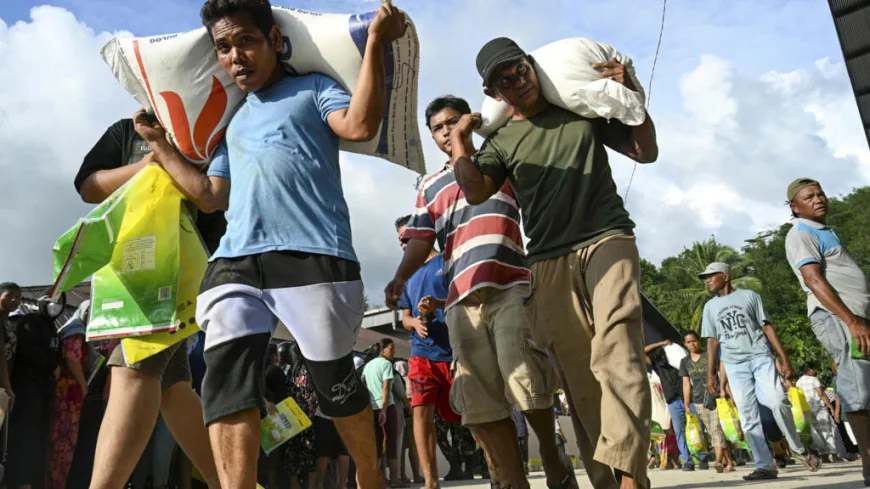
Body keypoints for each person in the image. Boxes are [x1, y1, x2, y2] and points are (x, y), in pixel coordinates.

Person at [135, 1, 406, 486]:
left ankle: (369, 472)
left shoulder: (314, 88)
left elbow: (360, 126)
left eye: (246, 41)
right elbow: (211, 196)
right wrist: (160, 145)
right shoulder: (232, 122)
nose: (235, 56)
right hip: (234, 262)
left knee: (335, 385)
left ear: (275, 41)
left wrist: (376, 43)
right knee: (226, 380)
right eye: (223, 47)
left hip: (314, 253)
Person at [446, 37, 658, 489]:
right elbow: (476, 190)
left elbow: (645, 151)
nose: (517, 82)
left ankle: (629, 479)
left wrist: (631, 92)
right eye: (504, 81)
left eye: (520, 70)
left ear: (531, 66)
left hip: (607, 238)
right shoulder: (501, 141)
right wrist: (460, 142)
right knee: (581, 380)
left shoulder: (579, 107)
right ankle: (609, 480)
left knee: (618, 352)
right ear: (493, 93)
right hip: (547, 261)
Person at [385, 95, 568, 489]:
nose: (446, 131)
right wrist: (400, 277)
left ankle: (553, 461)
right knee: (480, 397)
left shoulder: (497, 161)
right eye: (437, 127)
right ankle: (513, 479)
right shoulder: (430, 185)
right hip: (460, 300)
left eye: (453, 122)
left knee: (525, 378)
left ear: (470, 121)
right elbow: (420, 238)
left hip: (510, 284)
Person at [75, 120, 222, 489]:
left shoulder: (212, 130)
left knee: (132, 368)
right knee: (174, 389)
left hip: (180, 268)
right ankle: (230, 482)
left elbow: (215, 201)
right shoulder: (127, 131)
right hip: (133, 266)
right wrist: (147, 165)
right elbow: (88, 186)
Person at [699, 261, 821, 480]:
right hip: (734, 364)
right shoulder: (710, 307)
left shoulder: (750, 296)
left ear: (726, 276)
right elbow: (712, 341)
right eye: (705, 277)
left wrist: (784, 359)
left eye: (711, 275)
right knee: (748, 416)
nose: (707, 280)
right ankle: (765, 465)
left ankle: (797, 448)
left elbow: (767, 327)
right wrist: (710, 374)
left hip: (760, 357)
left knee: (777, 401)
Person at [785, 177, 870, 484]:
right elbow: (813, 279)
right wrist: (852, 321)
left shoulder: (823, 230)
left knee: (865, 383)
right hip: (838, 318)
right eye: (809, 197)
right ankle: (868, 464)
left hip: (854, 317)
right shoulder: (801, 232)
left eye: (820, 194)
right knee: (858, 386)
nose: (818, 199)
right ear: (795, 207)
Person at [391, 213, 466, 486]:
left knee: (472, 417)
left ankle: (498, 468)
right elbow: (404, 317)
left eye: (406, 238)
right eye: (399, 241)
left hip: (456, 353)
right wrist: (413, 322)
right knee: (421, 410)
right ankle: (431, 482)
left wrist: (437, 303)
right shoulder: (405, 276)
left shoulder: (447, 261)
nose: (403, 244)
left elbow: (465, 297)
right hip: (422, 354)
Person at [4, 291, 57, 489]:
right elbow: (28, 351)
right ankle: (20, 481)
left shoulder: (50, 326)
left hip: (39, 390)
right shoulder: (30, 323)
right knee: (25, 437)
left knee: (35, 437)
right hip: (25, 389)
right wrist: (51, 364)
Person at [47, 302, 91, 489]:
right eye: (90, 312)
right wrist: (83, 384)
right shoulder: (75, 332)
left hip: (65, 391)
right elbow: (72, 359)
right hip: (69, 393)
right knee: (63, 442)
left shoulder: (71, 329)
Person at [679, 330, 731, 472]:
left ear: (698, 341)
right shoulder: (685, 362)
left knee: (716, 429)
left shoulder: (709, 355)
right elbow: (686, 384)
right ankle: (729, 461)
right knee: (712, 432)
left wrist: (723, 390)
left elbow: (720, 372)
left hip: (715, 396)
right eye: (689, 342)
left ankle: (718, 461)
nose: (692, 344)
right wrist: (686, 404)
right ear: (685, 344)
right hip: (699, 400)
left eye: (694, 341)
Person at [644, 341, 694, 471]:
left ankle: (701, 457)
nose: (662, 358)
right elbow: (642, 351)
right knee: (679, 433)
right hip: (673, 402)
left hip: (688, 399)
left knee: (696, 428)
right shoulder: (658, 367)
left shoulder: (679, 364)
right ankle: (688, 461)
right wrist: (661, 343)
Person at [362, 339, 402, 487]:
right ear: (383, 350)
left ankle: (378, 479)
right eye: (391, 349)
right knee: (392, 443)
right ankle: (394, 479)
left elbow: (363, 385)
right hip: (387, 407)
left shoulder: (367, 366)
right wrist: (384, 410)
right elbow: (386, 388)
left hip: (372, 408)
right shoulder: (386, 364)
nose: (393, 352)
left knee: (377, 445)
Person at [283, 341, 317, 489]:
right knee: (309, 453)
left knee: (293, 452)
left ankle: (295, 485)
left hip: (292, 416)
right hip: (308, 417)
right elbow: (316, 394)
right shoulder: (311, 369)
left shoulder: (291, 371)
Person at [796, 364, 839, 461]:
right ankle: (834, 454)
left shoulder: (798, 382)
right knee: (826, 430)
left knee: (816, 432)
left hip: (806, 409)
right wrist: (830, 406)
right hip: (818, 407)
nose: (815, 371)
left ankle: (823, 455)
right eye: (813, 369)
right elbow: (821, 393)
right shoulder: (814, 379)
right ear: (809, 370)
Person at [394, 360, 423, 484]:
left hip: (399, 415)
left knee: (400, 448)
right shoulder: (412, 380)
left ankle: (402, 476)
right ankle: (416, 475)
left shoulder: (394, 379)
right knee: (413, 447)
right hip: (411, 415)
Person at [263, 343, 287, 489]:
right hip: (277, 413)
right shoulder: (276, 371)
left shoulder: (261, 370)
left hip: (263, 413)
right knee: (275, 449)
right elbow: (283, 392)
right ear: (274, 356)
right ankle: (272, 483)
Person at [0, 283, 17, 403]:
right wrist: (8, 388)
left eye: (18, 297)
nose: (14, 300)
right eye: (9, 295)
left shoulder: (8, 323)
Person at [512, 406, 530, 475]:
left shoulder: (511, 406)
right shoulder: (519, 405)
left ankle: (523, 467)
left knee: (520, 450)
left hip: (519, 430)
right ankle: (523, 467)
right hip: (520, 430)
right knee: (523, 450)